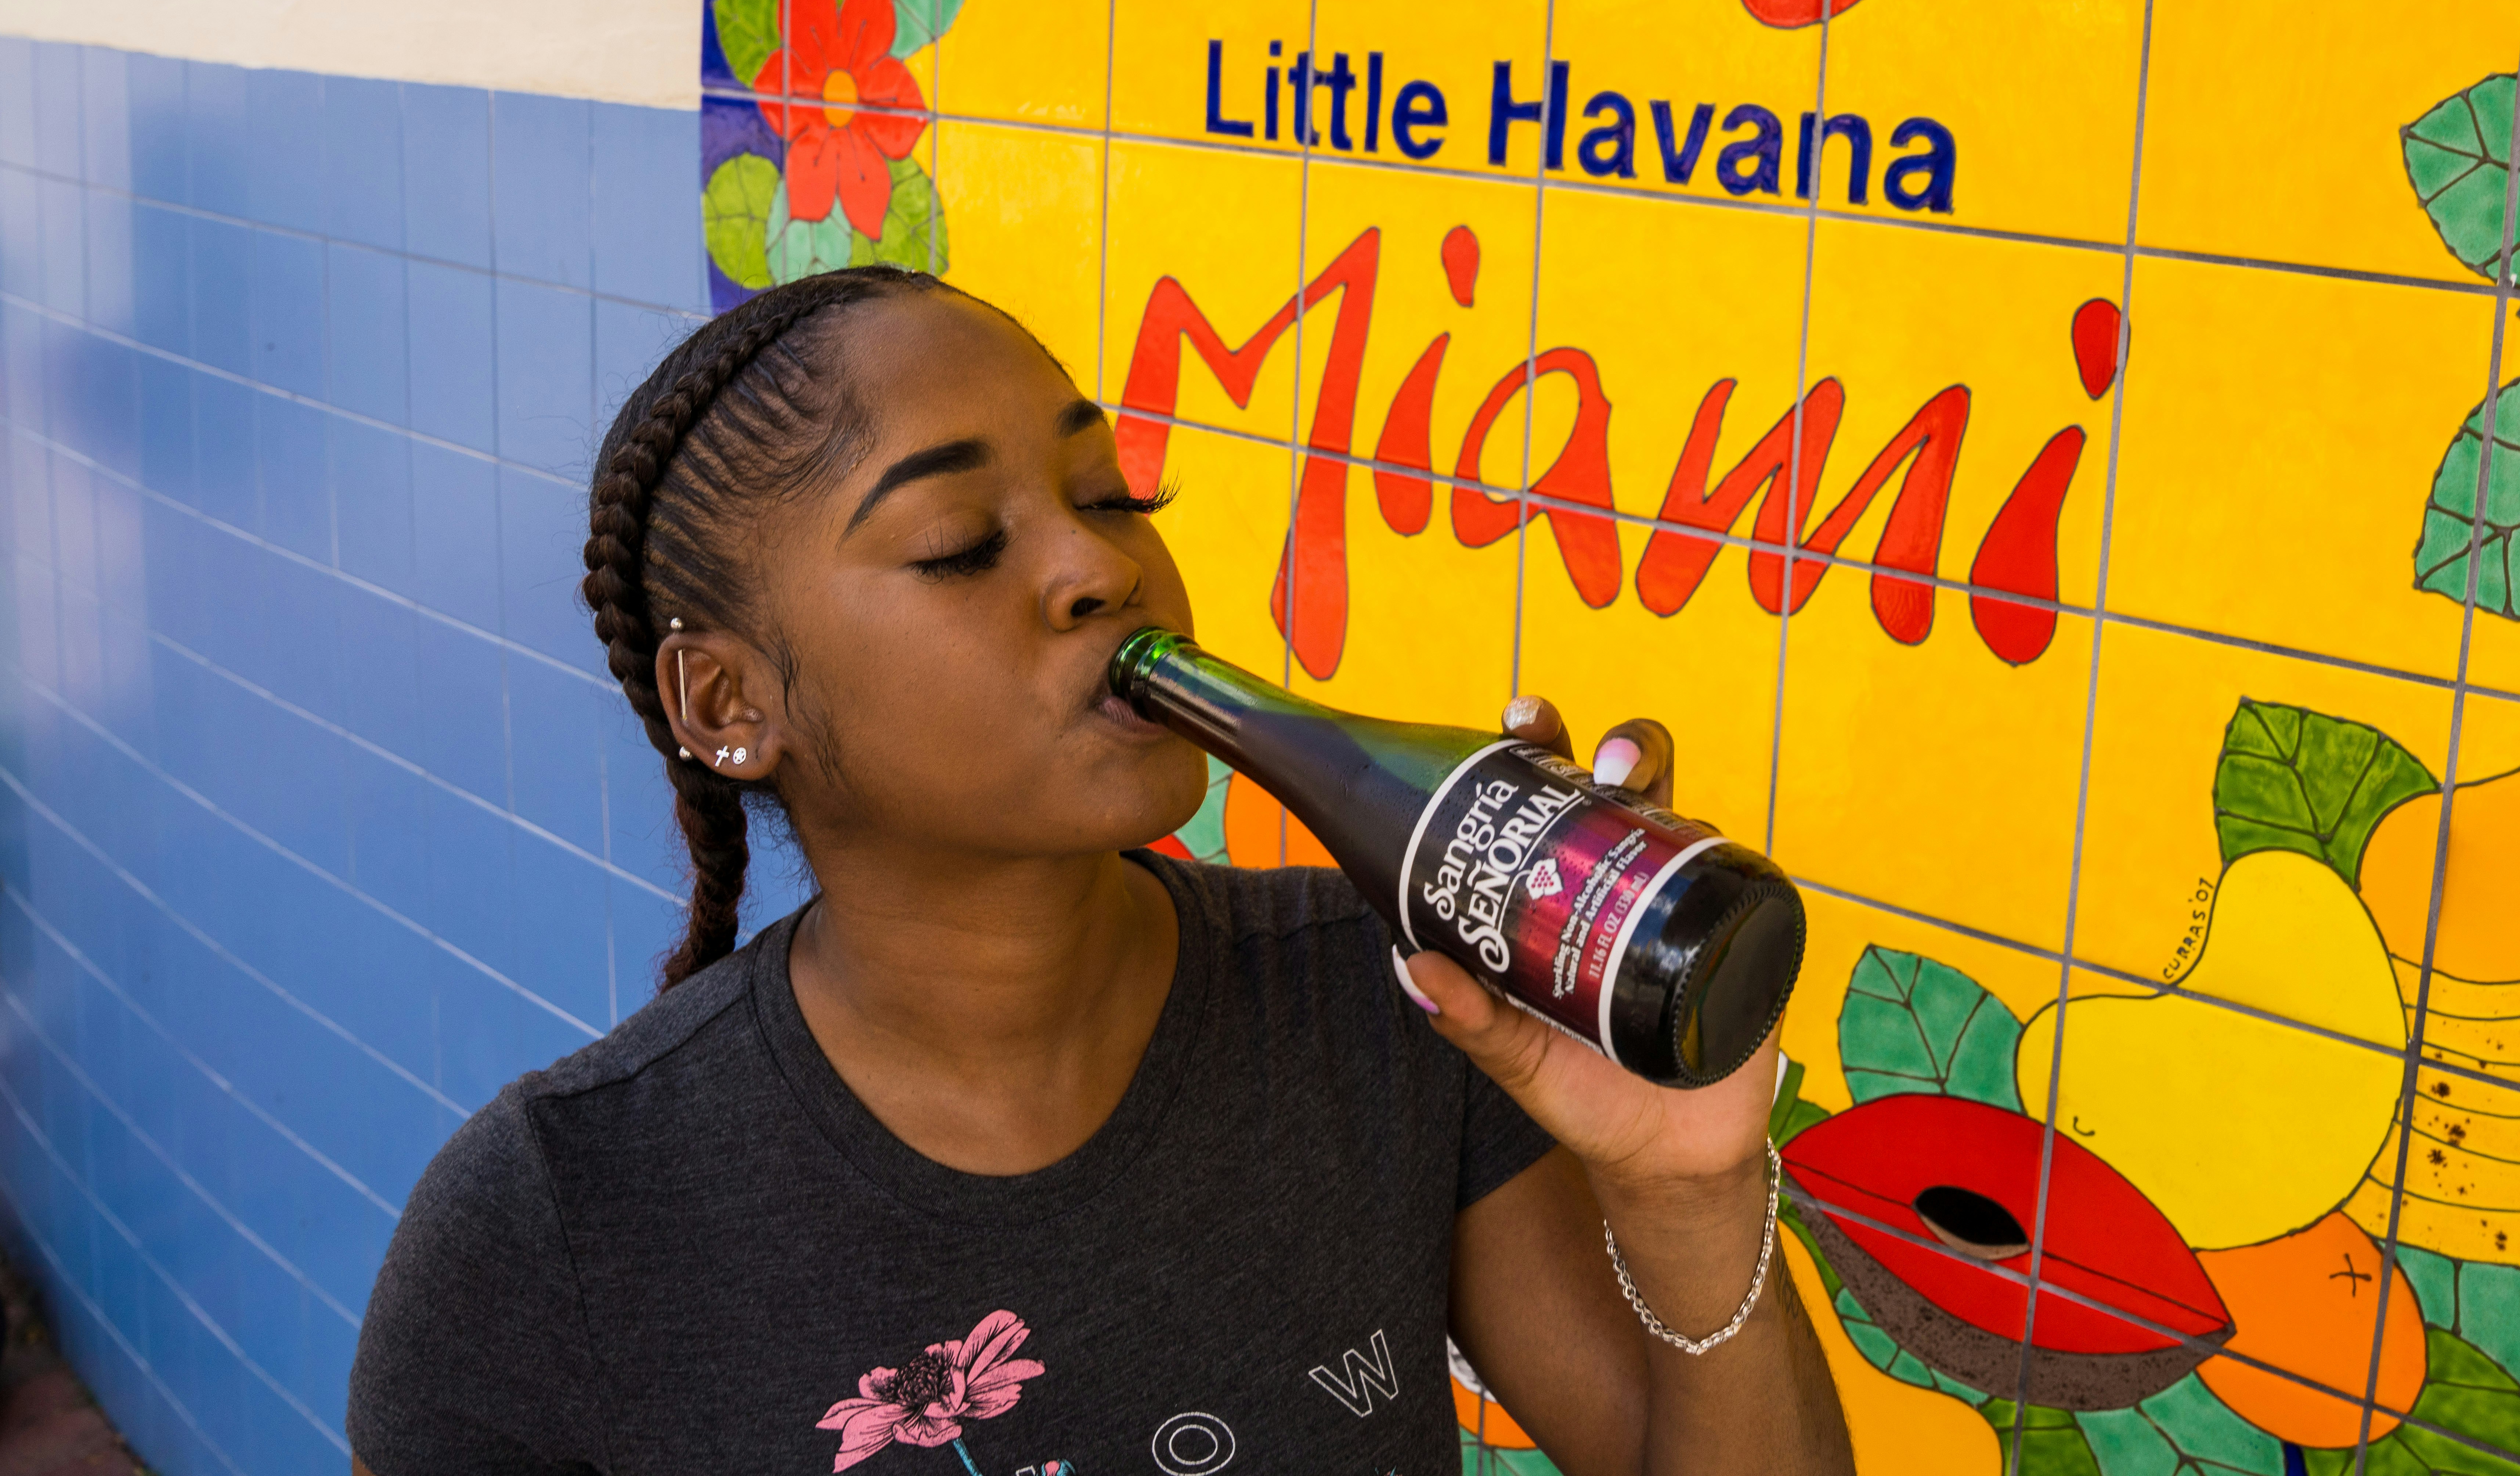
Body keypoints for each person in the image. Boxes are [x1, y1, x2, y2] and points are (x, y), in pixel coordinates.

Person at [346, 266, 1856, 1476]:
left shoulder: (1391, 992)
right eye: (957, 543)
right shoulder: (556, 1225)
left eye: (1116, 493)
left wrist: (1689, 1186)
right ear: (730, 705)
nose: (1099, 566)